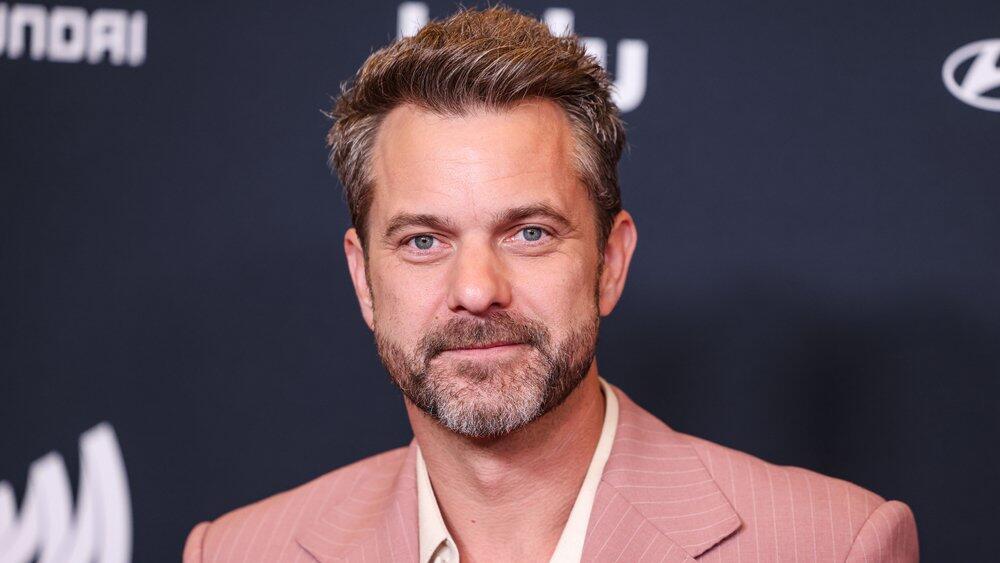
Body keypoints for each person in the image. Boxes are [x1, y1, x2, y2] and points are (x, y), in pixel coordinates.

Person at [183, 6, 918, 562]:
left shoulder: (831, 544)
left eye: (529, 232)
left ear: (610, 261)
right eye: (423, 240)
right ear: (363, 279)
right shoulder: (240, 551)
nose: (477, 290)